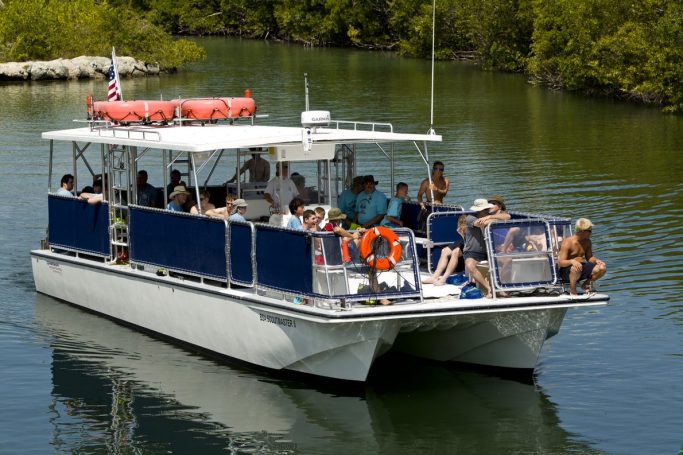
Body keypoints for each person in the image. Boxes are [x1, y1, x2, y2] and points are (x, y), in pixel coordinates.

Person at [558, 218, 607, 295]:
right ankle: (573, 290)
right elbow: (560, 262)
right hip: (566, 271)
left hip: (580, 267)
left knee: (602, 268)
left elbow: (589, 258)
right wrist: (572, 261)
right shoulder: (567, 242)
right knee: (576, 267)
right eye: (589, 231)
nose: (591, 233)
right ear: (582, 231)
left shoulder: (587, 242)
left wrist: (596, 261)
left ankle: (585, 285)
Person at [463, 198, 501, 298]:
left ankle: (501, 287)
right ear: (480, 210)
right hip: (472, 251)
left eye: (488, 209)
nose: (488, 211)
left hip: (488, 250)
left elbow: (508, 216)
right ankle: (489, 288)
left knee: (506, 260)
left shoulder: (488, 215)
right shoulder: (470, 218)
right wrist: (495, 219)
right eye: (486, 210)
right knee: (470, 265)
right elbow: (481, 224)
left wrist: (490, 217)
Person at [423, 215, 467, 285]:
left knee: (455, 251)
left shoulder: (475, 226)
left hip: (470, 242)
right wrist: (461, 233)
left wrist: (461, 233)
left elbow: (469, 241)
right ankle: (435, 276)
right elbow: (464, 239)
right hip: (463, 240)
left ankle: (444, 278)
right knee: (445, 251)